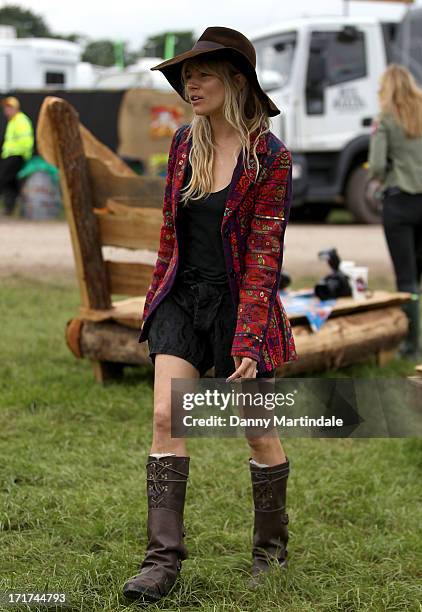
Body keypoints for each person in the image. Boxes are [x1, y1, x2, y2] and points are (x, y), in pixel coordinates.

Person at [122, 26, 298, 603]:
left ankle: (270, 555)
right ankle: (161, 562)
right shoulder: (182, 144)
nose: (189, 84)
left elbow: (265, 255)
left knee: (257, 432)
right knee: (165, 419)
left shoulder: (269, 156)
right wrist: (156, 306)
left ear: (235, 79)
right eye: (185, 77)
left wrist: (248, 337)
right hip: (182, 299)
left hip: (239, 304)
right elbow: (170, 239)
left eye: (200, 74)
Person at [368, 64, 422, 360]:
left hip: (400, 202)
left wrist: (388, 173)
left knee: (407, 278)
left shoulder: (385, 119)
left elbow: (375, 166)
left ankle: (412, 345)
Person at [0, 96, 34, 215]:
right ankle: (10, 208)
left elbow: (26, 141)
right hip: (10, 155)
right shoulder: (13, 121)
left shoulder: (21, 120)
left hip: (17, 156)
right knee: (11, 183)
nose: (6, 110)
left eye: (9, 108)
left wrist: (23, 155)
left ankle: (10, 207)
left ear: (16, 108)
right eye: (6, 108)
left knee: (4, 179)